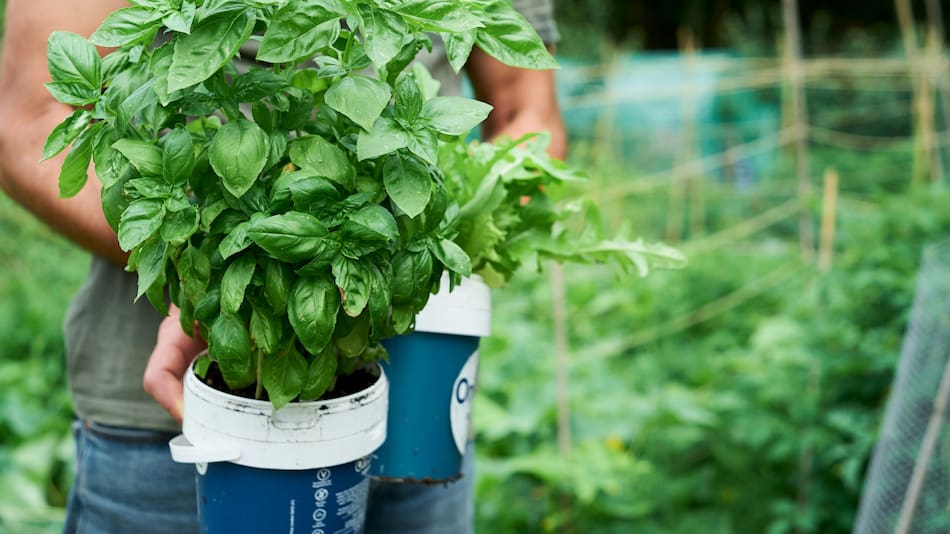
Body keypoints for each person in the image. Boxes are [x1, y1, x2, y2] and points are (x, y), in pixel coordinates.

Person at [0, 1, 565, 532]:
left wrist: (409, 254)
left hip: (419, 396)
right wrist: (200, 269)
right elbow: (27, 120)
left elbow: (528, 113)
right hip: (178, 427)